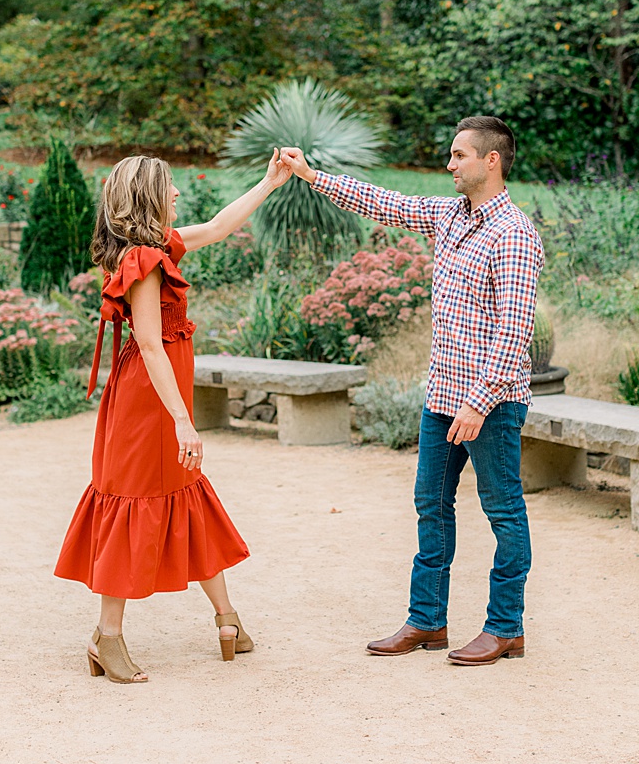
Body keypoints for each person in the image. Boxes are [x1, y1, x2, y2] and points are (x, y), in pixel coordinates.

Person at [277, 115, 544, 666]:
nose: (449, 165)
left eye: (459, 156)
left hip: (488, 405)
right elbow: (382, 202)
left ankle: (506, 628)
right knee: (431, 508)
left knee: (504, 513)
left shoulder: (514, 234)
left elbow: (515, 333)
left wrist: (479, 401)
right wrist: (309, 174)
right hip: (441, 397)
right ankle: (427, 622)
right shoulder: (450, 216)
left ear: (491, 160)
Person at [54, 149, 293, 683]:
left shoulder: (155, 247)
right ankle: (107, 637)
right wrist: (184, 420)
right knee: (135, 501)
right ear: (147, 199)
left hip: (160, 396)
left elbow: (216, 227)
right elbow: (150, 345)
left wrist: (268, 183)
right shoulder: (141, 260)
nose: (179, 195)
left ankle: (228, 618)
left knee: (184, 495)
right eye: (170, 188)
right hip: (150, 401)